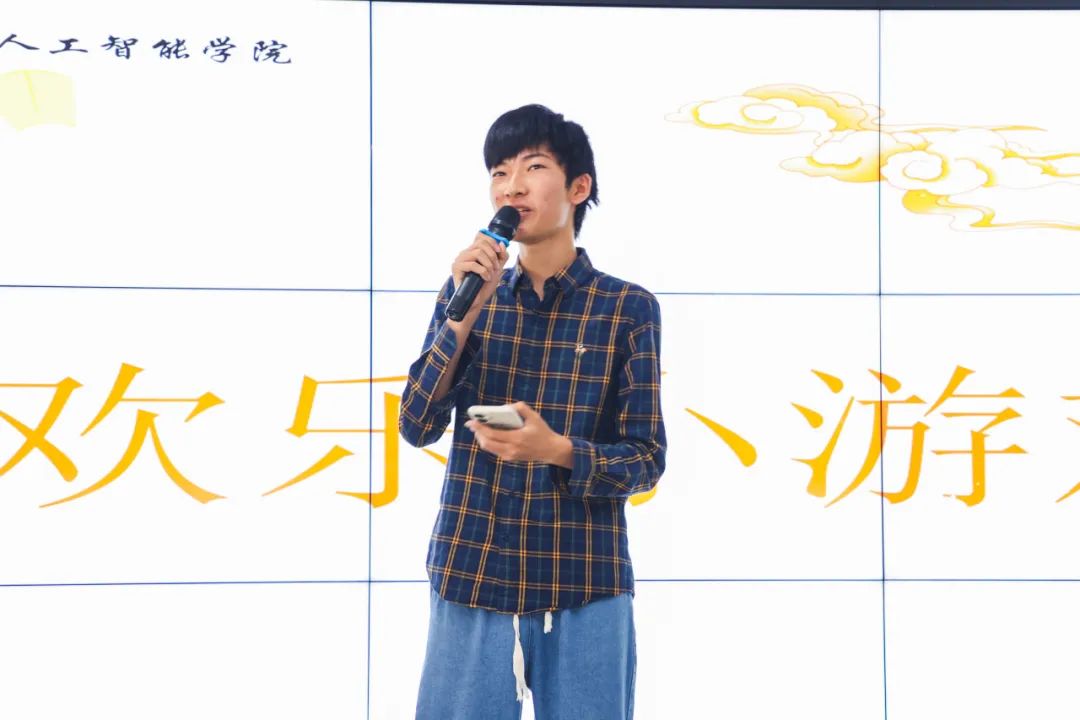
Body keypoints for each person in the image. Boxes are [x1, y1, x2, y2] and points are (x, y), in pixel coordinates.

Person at [399, 104, 666, 720]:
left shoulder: (627, 308)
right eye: (499, 172)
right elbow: (416, 423)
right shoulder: (469, 296)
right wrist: (462, 317)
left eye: (533, 167)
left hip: (583, 581)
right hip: (472, 570)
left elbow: (646, 459)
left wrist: (559, 452)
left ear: (578, 187)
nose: (511, 186)